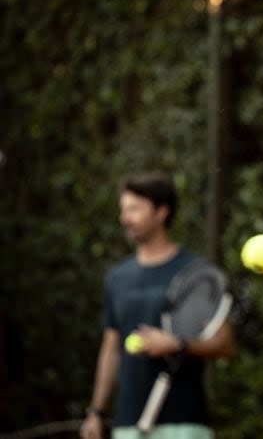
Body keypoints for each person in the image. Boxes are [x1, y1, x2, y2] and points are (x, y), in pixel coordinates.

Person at [80, 172, 236, 439]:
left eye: (135, 209)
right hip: (128, 424)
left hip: (184, 423)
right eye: (124, 209)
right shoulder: (117, 278)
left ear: (161, 212)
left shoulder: (194, 274)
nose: (125, 218)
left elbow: (225, 344)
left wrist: (176, 344)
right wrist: (96, 412)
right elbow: (111, 348)